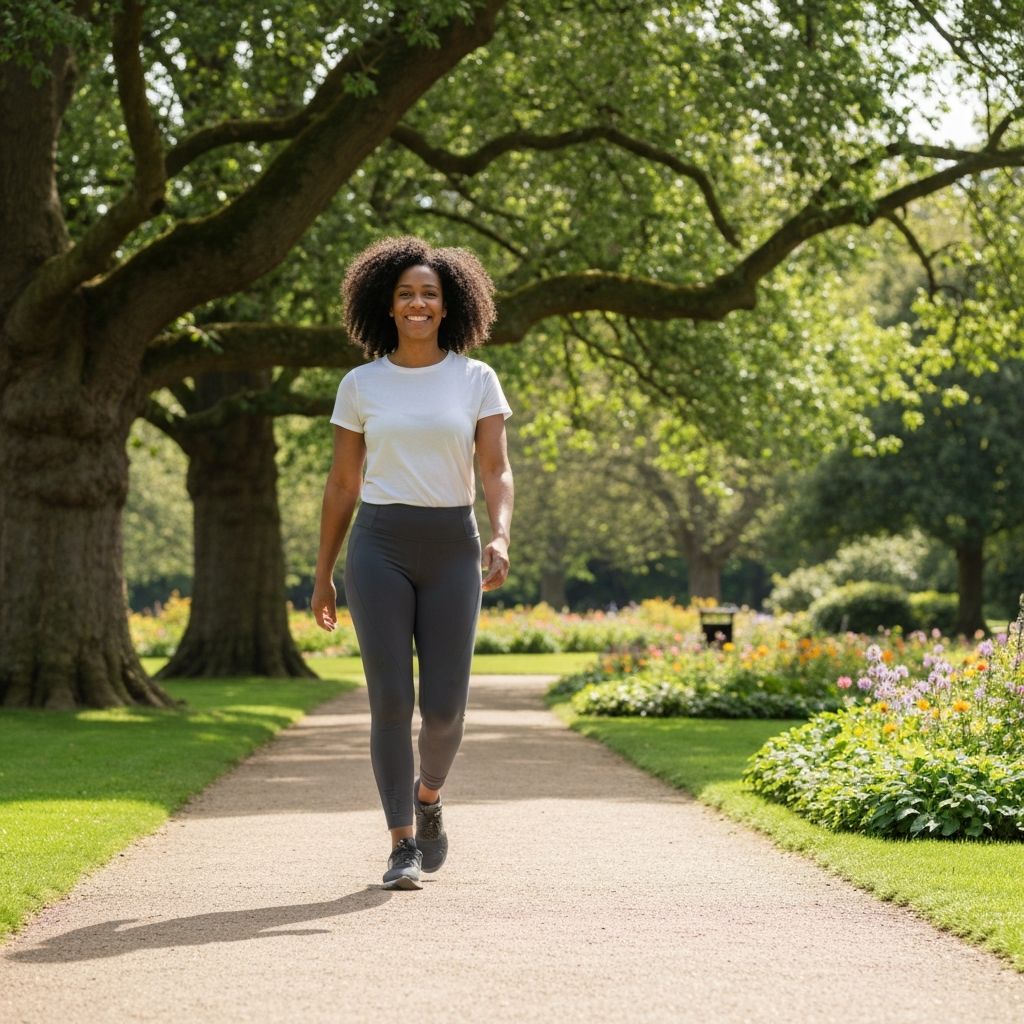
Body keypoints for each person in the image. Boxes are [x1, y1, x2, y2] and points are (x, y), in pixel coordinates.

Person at [311, 236, 514, 891]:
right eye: (406, 294)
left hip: (452, 546)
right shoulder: (361, 384)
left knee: (447, 710)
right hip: (380, 546)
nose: (418, 303)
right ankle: (401, 842)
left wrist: (501, 534)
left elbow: (496, 469)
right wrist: (323, 574)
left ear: (449, 305)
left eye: (429, 293)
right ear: (387, 305)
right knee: (392, 701)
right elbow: (342, 484)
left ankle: (428, 799)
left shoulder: (476, 379)